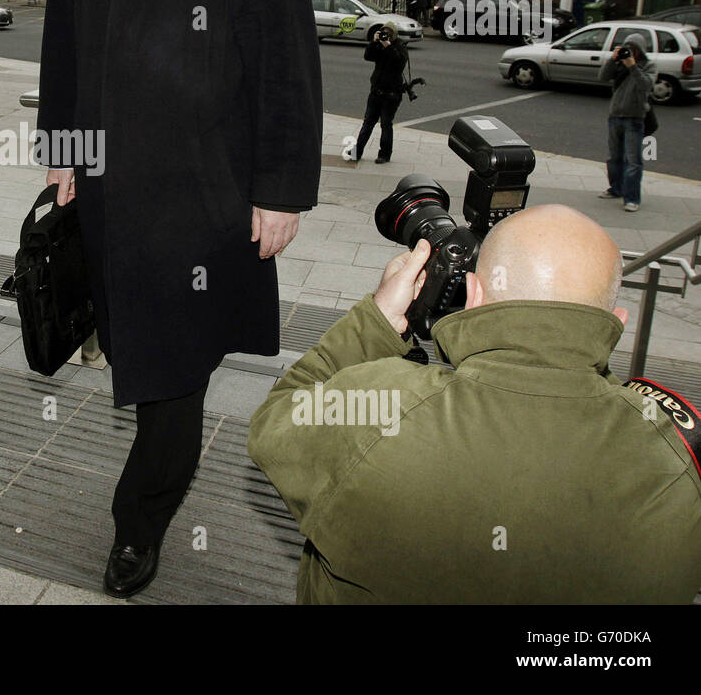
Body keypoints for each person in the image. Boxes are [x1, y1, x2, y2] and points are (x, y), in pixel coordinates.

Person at [38, 0, 323, 599]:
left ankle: (140, 523)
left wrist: (280, 189)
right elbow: (65, 51)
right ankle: (148, 481)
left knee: (173, 372)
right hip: (111, 197)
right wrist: (64, 149)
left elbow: (288, 67)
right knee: (131, 343)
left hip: (203, 201)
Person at [247, 205, 701, 603]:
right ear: (616, 322)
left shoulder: (381, 410)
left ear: (475, 296)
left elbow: (277, 421)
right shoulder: (677, 461)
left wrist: (378, 321)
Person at [598, 34, 653, 212]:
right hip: (615, 116)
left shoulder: (648, 66)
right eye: (627, 48)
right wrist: (612, 60)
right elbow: (602, 77)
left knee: (633, 160)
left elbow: (645, 86)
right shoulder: (619, 64)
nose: (630, 52)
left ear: (641, 51)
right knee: (613, 157)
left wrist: (633, 67)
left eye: (634, 49)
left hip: (634, 118)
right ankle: (616, 189)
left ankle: (632, 198)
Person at [350, 23, 407, 164]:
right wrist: (374, 42)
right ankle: (357, 152)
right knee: (368, 123)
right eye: (383, 32)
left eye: (388, 33)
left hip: (392, 94)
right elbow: (368, 56)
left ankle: (385, 154)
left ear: (393, 35)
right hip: (376, 92)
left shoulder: (399, 47)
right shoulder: (379, 45)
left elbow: (399, 62)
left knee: (386, 124)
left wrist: (388, 46)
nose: (385, 35)